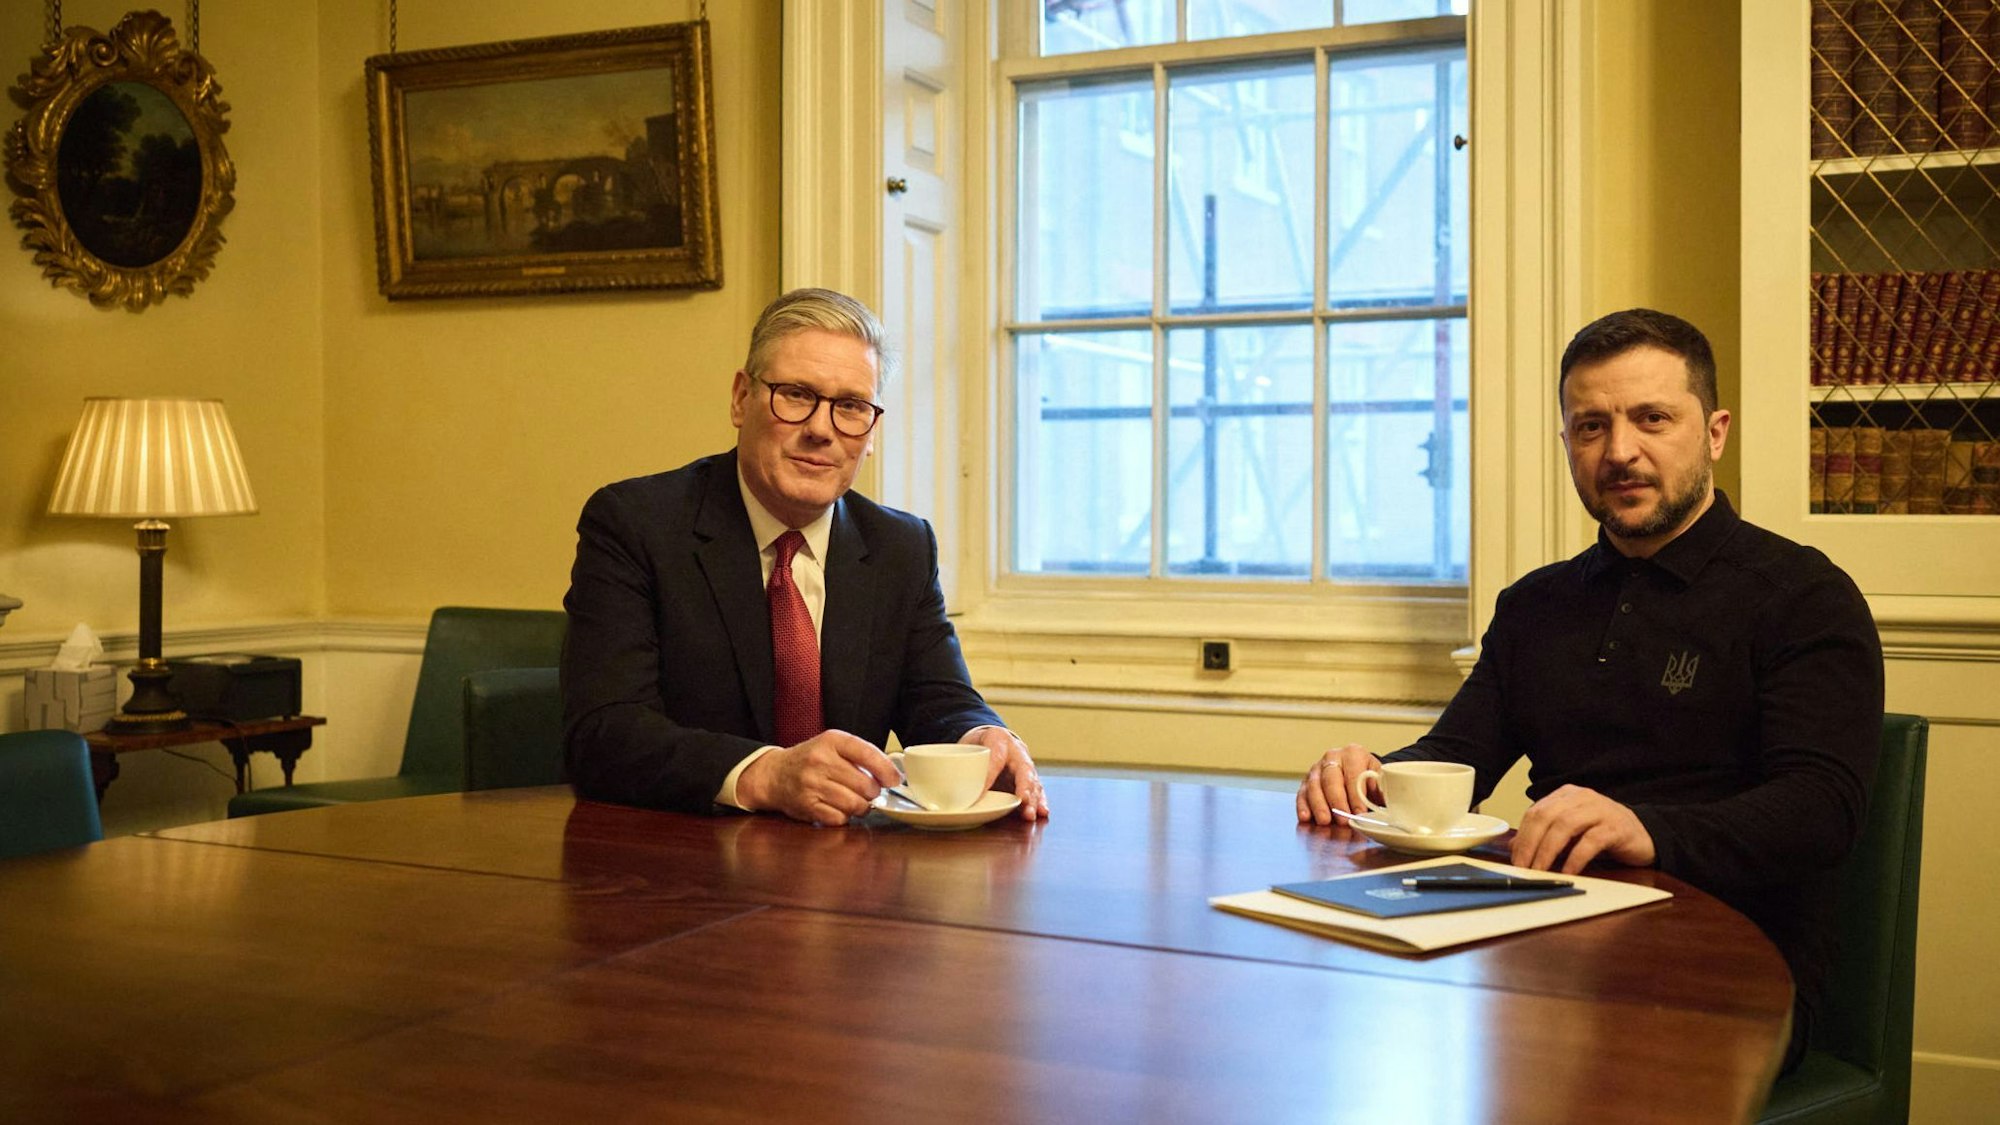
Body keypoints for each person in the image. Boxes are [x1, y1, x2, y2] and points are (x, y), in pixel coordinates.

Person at [1295, 308, 1882, 1072]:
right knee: (1355, 1028)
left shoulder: (1804, 594)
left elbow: (1822, 808)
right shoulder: (1534, 605)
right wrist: (1370, 774)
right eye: (1591, 426)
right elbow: (1454, 755)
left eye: (1652, 419)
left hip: (1734, 968)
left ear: (1714, 433)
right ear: (1567, 443)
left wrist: (1647, 829)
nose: (1621, 451)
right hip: (1548, 942)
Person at [562, 288, 1049, 826]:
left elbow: (939, 699)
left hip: (846, 872)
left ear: (871, 433)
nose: (821, 429)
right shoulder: (636, 525)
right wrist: (765, 774)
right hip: (677, 863)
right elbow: (603, 733)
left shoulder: (901, 548)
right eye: (796, 394)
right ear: (741, 399)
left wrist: (984, 736)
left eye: (850, 407)